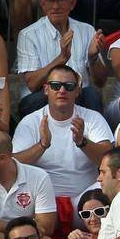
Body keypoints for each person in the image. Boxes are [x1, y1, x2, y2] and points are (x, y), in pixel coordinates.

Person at [9, 64, 111, 208]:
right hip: (44, 202)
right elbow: (13, 165)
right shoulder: (30, 122)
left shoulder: (92, 118)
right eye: (55, 86)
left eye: (69, 86)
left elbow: (109, 158)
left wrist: (83, 142)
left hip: (86, 201)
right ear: (46, 89)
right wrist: (42, 145)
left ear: (77, 91)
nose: (62, 90)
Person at [14, 0, 108, 119]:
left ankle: (96, 140)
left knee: (92, 94)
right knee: (49, 97)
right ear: (42, 3)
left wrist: (93, 58)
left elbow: (101, 82)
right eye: (51, 0)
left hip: (77, 97)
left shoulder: (87, 30)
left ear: (73, 2)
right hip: (40, 99)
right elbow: (32, 85)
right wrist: (61, 58)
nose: (56, 6)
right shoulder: (28, 35)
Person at [0, 130, 56, 239]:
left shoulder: (39, 177)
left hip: (24, 238)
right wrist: (14, 230)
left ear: (2, 159)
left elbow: (46, 226)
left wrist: (10, 237)